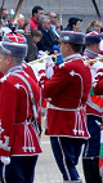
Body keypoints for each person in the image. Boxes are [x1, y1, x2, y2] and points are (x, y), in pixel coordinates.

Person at [0, 32, 41, 182]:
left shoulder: (8, 83)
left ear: (9, 59)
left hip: (14, 145)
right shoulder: (29, 78)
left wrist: (4, 150)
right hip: (30, 141)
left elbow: (6, 119)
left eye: (0, 57)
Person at [41, 31, 90, 182]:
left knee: (67, 167)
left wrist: (42, 73)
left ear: (67, 47)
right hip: (77, 122)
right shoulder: (83, 65)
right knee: (70, 164)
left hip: (63, 123)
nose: (60, 48)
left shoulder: (67, 68)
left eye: (61, 45)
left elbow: (46, 90)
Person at [82, 32, 103, 182]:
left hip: (95, 109)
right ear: (96, 44)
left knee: (95, 144)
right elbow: (92, 89)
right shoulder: (88, 62)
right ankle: (92, 178)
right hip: (91, 109)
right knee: (92, 145)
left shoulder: (95, 60)